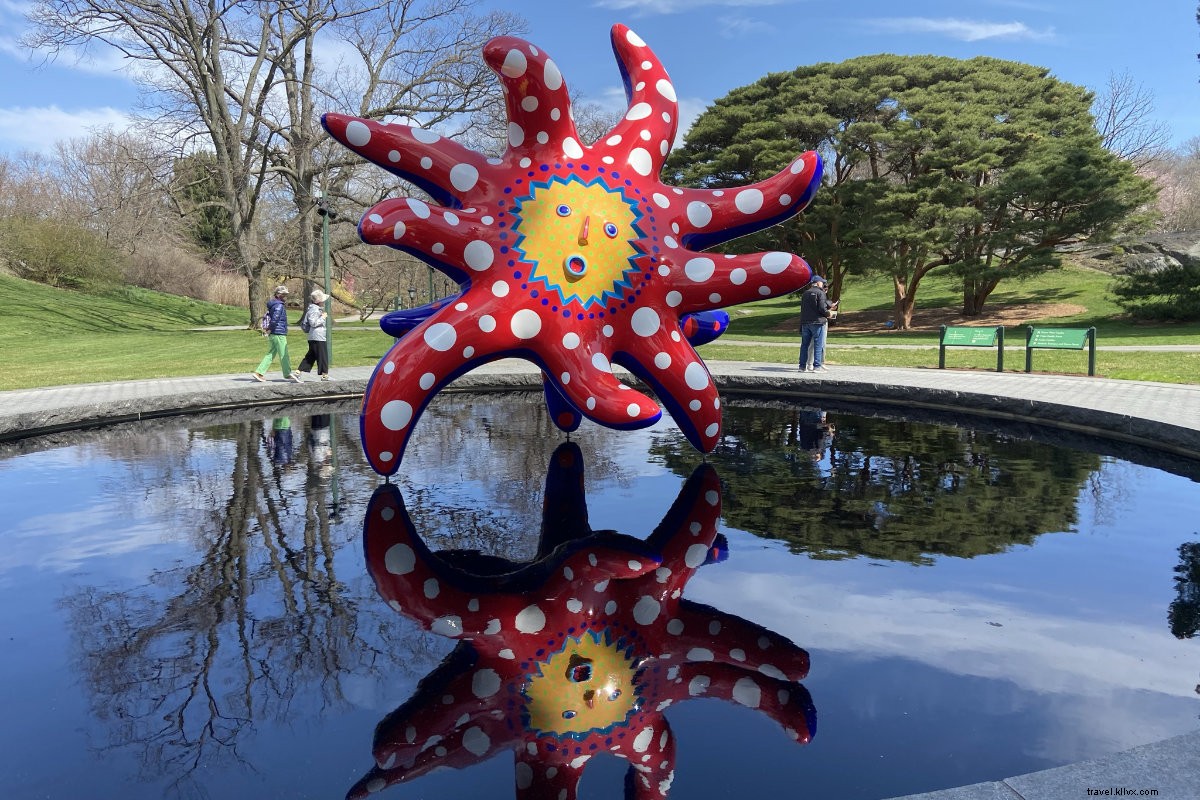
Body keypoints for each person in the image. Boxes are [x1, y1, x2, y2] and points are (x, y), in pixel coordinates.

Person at [252, 285, 300, 382]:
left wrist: (269, 330)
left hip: (274, 333)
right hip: (278, 332)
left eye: (285, 294)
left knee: (270, 354)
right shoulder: (279, 305)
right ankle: (287, 373)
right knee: (284, 353)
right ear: (278, 294)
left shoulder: (274, 304)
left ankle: (259, 372)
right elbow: (275, 319)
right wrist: (270, 329)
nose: (284, 296)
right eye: (283, 294)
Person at [798, 275, 837, 373]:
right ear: (818, 283)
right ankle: (817, 367)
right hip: (817, 322)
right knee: (818, 344)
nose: (823, 284)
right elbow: (822, 308)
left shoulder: (805, 293)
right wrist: (828, 314)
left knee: (804, 345)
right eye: (822, 282)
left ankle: (802, 367)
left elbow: (803, 309)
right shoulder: (820, 293)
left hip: (805, 322)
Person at [294, 289, 330, 381]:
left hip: (314, 336)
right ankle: (324, 374)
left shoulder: (313, 309)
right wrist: (323, 317)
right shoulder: (314, 310)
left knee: (311, 355)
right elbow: (313, 323)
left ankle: (298, 371)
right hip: (318, 336)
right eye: (322, 300)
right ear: (319, 301)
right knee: (322, 355)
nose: (324, 302)